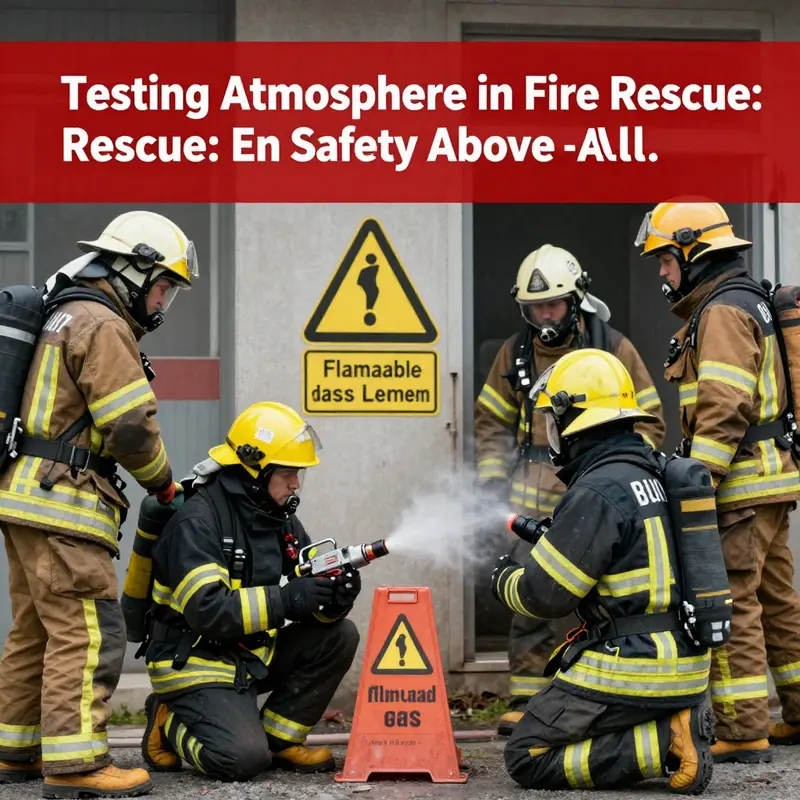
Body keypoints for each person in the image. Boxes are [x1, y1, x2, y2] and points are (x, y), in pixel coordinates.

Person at [0, 210, 196, 795]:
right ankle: (77, 762)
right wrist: (162, 481)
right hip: (64, 504)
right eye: (163, 288)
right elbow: (130, 426)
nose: (162, 303)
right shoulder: (103, 324)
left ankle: (14, 751)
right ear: (135, 270)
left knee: (36, 630)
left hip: (24, 498)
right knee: (88, 633)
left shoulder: (62, 311)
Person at [492, 347, 714, 794]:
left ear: (573, 420)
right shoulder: (653, 471)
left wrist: (504, 579)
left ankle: (668, 740)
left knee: (527, 754)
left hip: (635, 664)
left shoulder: (598, 489)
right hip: (684, 663)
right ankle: (672, 722)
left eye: (553, 421)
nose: (551, 433)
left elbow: (545, 595)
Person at [475, 243, 666, 733]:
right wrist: (494, 482)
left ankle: (587, 694)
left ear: (575, 299)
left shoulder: (613, 348)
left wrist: (619, 474)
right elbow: (491, 420)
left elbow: (649, 419)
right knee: (532, 596)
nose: (544, 316)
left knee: (595, 597)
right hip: (531, 496)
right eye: (535, 307)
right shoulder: (513, 355)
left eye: (554, 305)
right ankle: (527, 698)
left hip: (595, 496)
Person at [635, 200, 800, 763]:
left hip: (740, 484)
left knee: (733, 600)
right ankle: (797, 711)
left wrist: (698, 480)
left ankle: (743, 727)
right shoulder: (744, 299)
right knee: (778, 599)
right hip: (769, 479)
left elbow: (725, 401)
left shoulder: (723, 311)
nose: (662, 273)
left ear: (693, 252)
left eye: (665, 260)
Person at [140, 401, 360, 782]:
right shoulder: (197, 522)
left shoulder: (277, 516)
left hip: (248, 653)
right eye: (288, 473)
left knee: (339, 635)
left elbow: (305, 584)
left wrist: (333, 598)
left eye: (298, 474)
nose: (295, 484)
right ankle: (167, 721)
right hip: (194, 661)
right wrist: (288, 600)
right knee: (240, 759)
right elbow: (208, 610)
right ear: (254, 470)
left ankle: (278, 741)